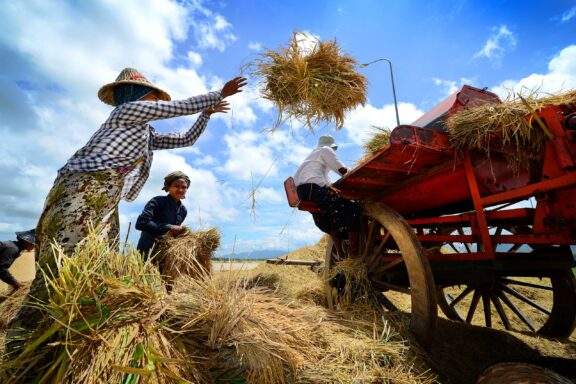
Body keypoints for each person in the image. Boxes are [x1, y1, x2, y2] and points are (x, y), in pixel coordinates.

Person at [6, 68, 247, 357]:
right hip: (83, 189)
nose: (154, 100)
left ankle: (76, 333)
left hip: (106, 196)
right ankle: (23, 344)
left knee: (97, 261)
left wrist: (206, 115)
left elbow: (185, 140)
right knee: (63, 265)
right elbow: (178, 107)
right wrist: (219, 92)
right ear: (135, 95)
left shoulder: (145, 132)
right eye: (151, 95)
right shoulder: (127, 111)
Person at [294, 135, 361, 259]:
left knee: (330, 219)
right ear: (331, 147)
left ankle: (341, 255)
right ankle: (354, 255)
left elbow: (323, 179)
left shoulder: (312, 158)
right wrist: (358, 174)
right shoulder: (325, 150)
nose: (333, 151)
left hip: (303, 193)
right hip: (313, 190)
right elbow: (340, 168)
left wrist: (329, 187)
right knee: (354, 209)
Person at [136, 171, 190, 257]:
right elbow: (141, 223)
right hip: (147, 252)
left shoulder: (183, 210)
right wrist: (169, 227)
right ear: (168, 187)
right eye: (176, 186)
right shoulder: (157, 201)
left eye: (184, 187)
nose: (180, 190)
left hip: (166, 255)